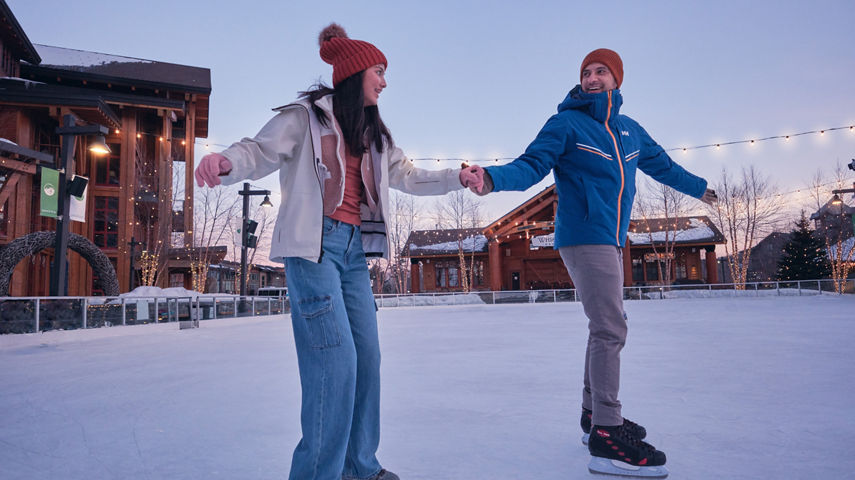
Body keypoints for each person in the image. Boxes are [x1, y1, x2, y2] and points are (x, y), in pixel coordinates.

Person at [195, 23, 473, 480]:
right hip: (314, 249)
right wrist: (225, 162)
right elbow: (259, 150)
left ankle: (361, 467)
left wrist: (456, 178)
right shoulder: (305, 116)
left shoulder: (375, 135)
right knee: (334, 362)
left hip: (353, 254)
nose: (384, 81)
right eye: (379, 71)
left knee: (367, 357)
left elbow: (410, 175)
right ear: (355, 72)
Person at [461, 48, 717, 478]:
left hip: (613, 238)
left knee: (605, 325)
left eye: (602, 71)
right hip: (583, 235)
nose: (593, 78)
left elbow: (664, 167)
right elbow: (531, 165)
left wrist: (701, 188)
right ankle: (607, 433)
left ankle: (592, 415)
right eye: (586, 72)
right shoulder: (566, 124)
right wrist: (490, 179)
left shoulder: (629, 131)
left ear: (617, 79)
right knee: (610, 327)